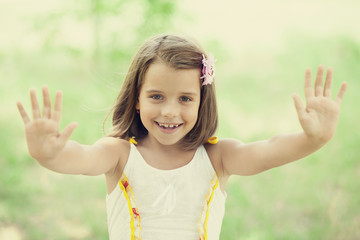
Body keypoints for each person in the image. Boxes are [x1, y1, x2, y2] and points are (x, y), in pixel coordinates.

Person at [16, 34, 347, 240]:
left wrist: (313, 139)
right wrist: (48, 153)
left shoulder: (218, 157)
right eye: (157, 97)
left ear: (202, 101)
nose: (170, 112)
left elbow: (270, 150)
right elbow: (81, 158)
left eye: (185, 99)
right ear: (136, 98)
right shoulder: (119, 154)